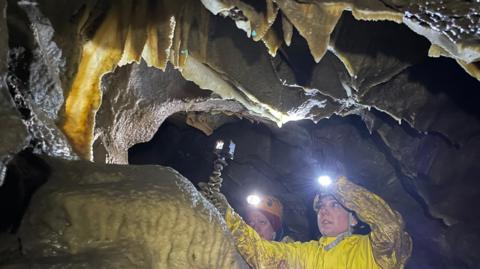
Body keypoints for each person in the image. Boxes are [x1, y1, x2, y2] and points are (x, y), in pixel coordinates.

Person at [208, 176, 412, 269]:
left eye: (334, 205)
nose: (324, 211)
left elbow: (390, 228)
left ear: (354, 217)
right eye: (321, 207)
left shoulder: (370, 251)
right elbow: (264, 255)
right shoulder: (309, 252)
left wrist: (342, 188)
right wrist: (227, 215)